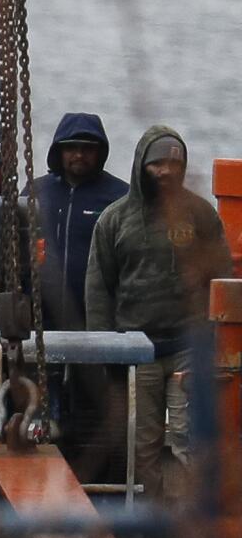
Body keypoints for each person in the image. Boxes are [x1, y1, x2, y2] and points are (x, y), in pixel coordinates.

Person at [85, 126, 236, 492]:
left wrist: (216, 344)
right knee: (144, 445)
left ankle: (187, 528)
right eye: (158, 163)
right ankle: (150, 532)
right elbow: (98, 288)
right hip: (138, 349)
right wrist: (104, 351)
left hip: (188, 346)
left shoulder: (200, 215)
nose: (167, 171)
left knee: (188, 441)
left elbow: (222, 278)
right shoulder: (115, 219)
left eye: (174, 163)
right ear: (141, 166)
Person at [35, 115, 130, 332]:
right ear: (59, 151)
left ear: (100, 152)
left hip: (100, 322)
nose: (79, 155)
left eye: (87, 149)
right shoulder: (37, 192)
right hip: (42, 323)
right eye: (71, 148)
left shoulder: (120, 197)